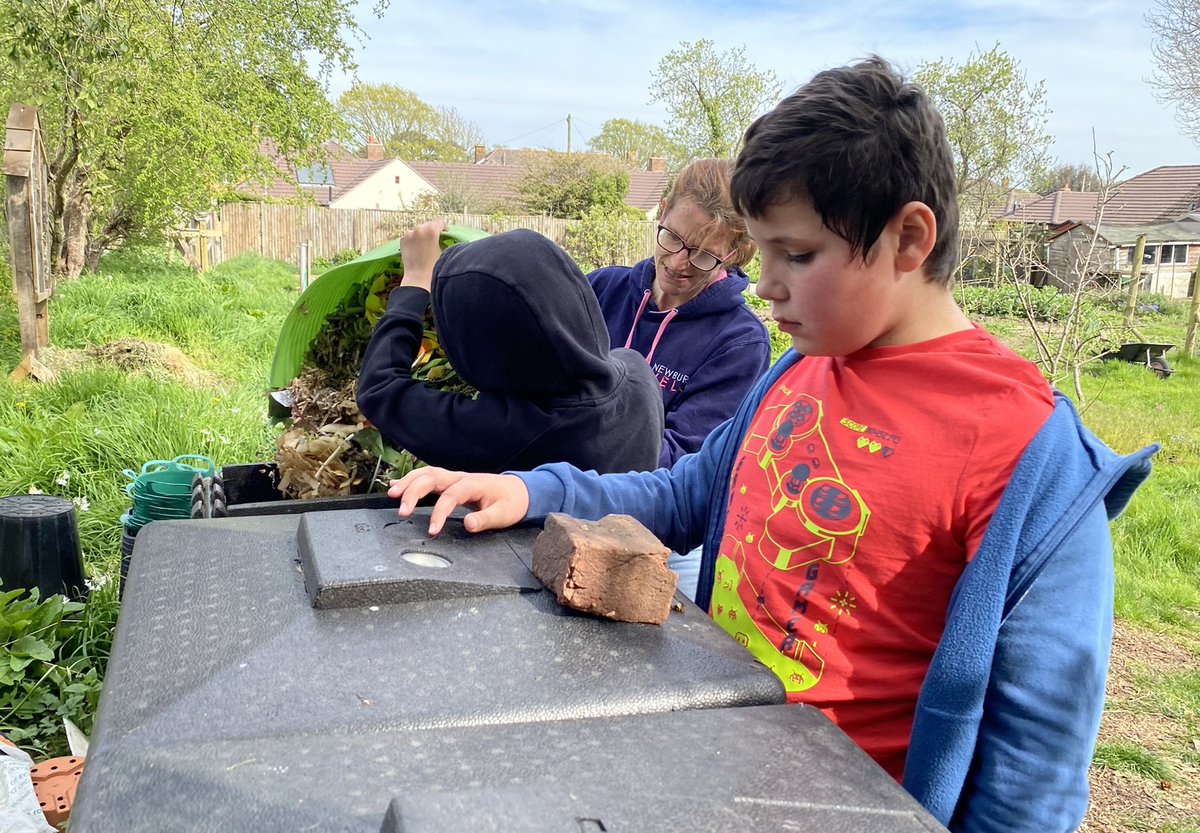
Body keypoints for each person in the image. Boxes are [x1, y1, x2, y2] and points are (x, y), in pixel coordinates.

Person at [383, 57, 1158, 832]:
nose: (764, 284)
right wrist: (534, 489)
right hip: (707, 761)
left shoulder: (1033, 454)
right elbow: (683, 494)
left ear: (909, 237)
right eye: (761, 253)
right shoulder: (799, 371)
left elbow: (1038, 766)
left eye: (799, 254)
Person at [588, 161, 771, 597]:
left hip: (661, 528)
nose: (678, 262)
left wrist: (562, 435)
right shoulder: (601, 289)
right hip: (571, 486)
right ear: (664, 210)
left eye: (704, 255)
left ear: (736, 254)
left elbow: (683, 459)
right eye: (672, 237)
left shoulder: (741, 341)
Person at [356, 222, 664, 475]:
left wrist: (414, 284)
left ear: (484, 357)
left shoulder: (511, 432)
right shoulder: (637, 372)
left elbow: (380, 389)